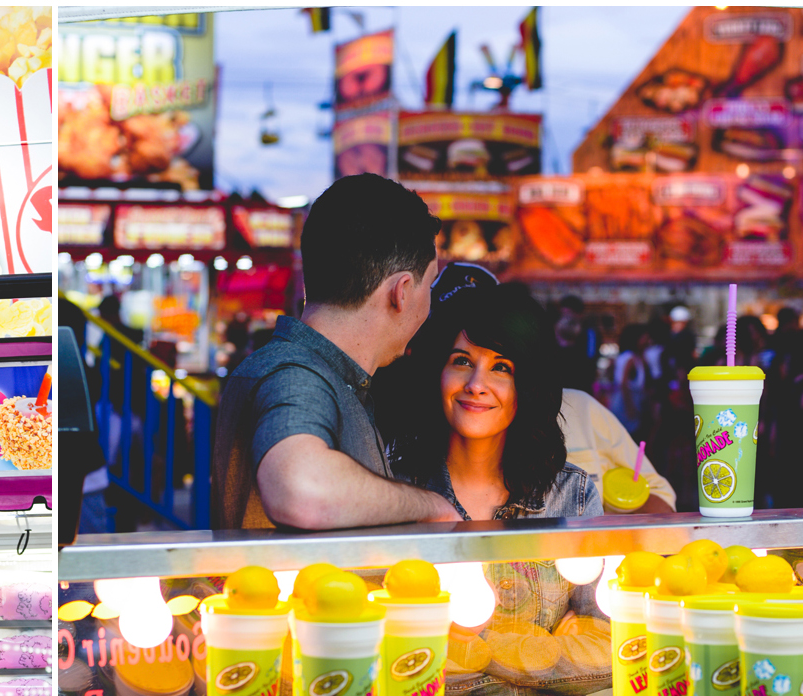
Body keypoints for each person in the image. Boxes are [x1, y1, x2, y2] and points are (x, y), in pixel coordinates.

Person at [211, 173, 454, 529]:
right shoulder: (295, 375)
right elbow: (301, 490)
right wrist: (428, 505)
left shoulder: (325, 375)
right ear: (401, 291)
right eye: (428, 285)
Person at [388, 282, 600, 521]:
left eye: (501, 368)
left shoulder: (573, 496)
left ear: (529, 386)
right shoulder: (391, 486)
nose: (476, 385)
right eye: (462, 361)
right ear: (437, 372)